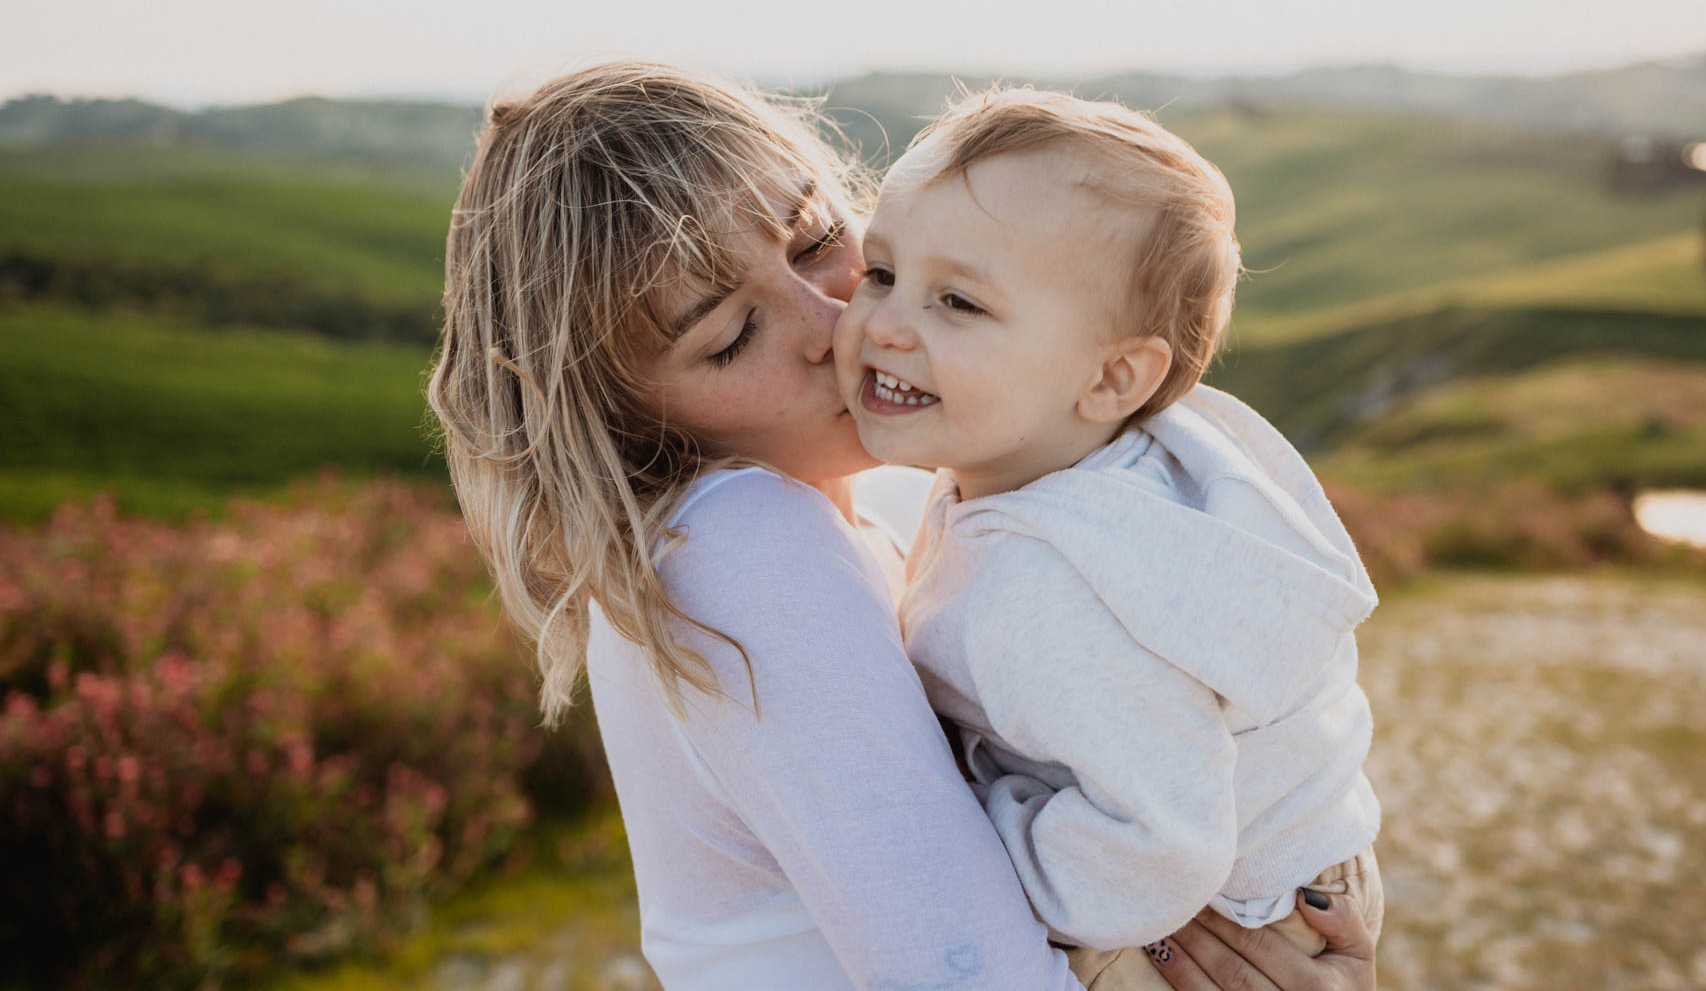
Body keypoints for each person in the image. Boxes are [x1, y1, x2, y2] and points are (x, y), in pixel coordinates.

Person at [427, 61, 1378, 990]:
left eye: (817, 244)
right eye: (729, 337)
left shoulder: (907, 503)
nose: (837, 321)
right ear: (620, 419)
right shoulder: (739, 545)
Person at [833, 89, 1386, 990]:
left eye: (959, 303)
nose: (885, 324)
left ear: (1114, 376)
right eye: (882, 273)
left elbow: (1159, 842)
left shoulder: (1052, 587)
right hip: (1219, 867)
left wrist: (984, 822)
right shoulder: (1049, 456)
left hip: (1207, 918)